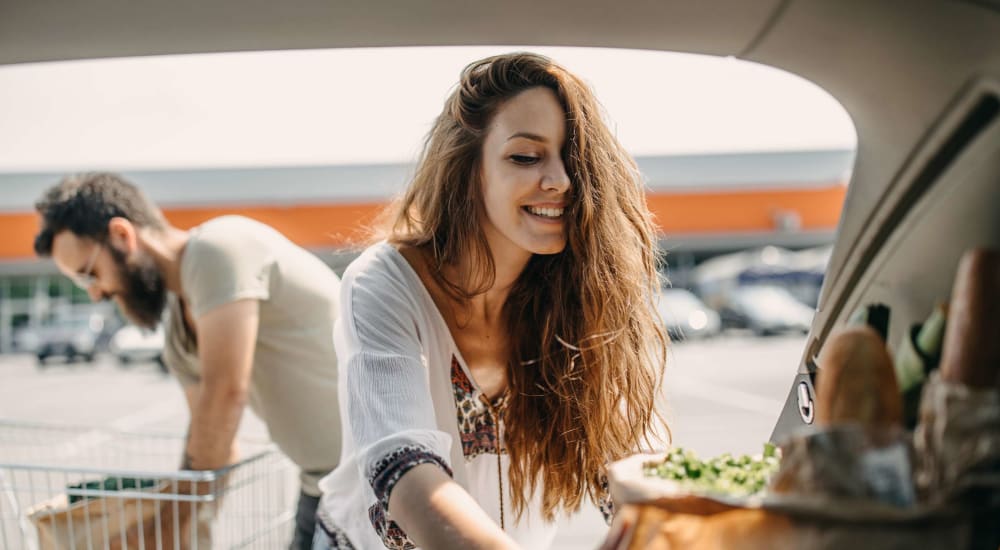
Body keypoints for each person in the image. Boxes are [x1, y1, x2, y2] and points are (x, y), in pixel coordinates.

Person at [315, 52, 669, 549]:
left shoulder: (580, 298)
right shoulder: (385, 282)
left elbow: (630, 455)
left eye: (574, 159)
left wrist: (657, 522)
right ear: (470, 168)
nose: (562, 181)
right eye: (526, 157)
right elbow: (406, 471)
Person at [33, 173, 342, 549]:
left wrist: (165, 530)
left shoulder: (217, 250)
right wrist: (183, 529)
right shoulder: (179, 338)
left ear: (121, 236)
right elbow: (213, 441)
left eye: (88, 275)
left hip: (379, 477)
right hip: (321, 485)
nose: (96, 293)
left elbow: (225, 394)